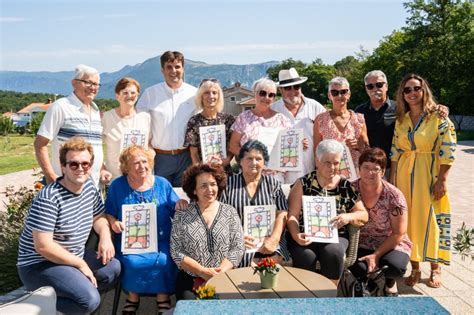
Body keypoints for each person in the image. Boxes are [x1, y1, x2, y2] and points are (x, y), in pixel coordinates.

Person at [17, 137, 120, 314]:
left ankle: (73, 294)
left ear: (91, 165)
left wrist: (105, 236)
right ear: (63, 167)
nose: (80, 169)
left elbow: (99, 217)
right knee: (89, 300)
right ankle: (39, 302)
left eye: (85, 164)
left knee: (113, 268)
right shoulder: (49, 198)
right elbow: (43, 246)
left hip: (71, 256)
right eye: (73, 164)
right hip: (39, 264)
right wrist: (80, 264)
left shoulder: (88, 187)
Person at [390, 74, 456, 288]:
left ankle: (435, 269)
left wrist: (442, 180)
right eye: (407, 90)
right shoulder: (402, 120)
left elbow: (449, 148)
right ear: (402, 95)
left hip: (428, 175)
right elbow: (395, 150)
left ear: (423, 90)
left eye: (416, 88)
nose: (412, 93)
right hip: (403, 176)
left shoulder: (438, 117)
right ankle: (416, 268)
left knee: (431, 220)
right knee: (410, 223)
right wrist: (392, 180)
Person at [105, 145, 178, 314]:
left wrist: (181, 204)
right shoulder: (117, 186)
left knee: (164, 260)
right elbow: (109, 213)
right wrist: (114, 222)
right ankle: (133, 296)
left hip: (161, 239)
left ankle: (163, 297)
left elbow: (175, 207)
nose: (142, 166)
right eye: (135, 163)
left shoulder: (162, 183)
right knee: (132, 262)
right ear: (126, 167)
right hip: (130, 240)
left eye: (144, 161)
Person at [287, 139, 368, 285]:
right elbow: (292, 215)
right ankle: (305, 295)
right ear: (317, 161)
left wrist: (348, 216)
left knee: (334, 253)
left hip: (335, 235)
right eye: (327, 162)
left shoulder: (345, 186)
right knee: (305, 256)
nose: (332, 167)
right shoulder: (303, 183)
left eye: (336, 163)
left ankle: (329, 295)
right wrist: (296, 235)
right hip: (305, 235)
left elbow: (364, 214)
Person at [170, 164, 244, 300]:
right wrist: (202, 271)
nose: (210, 190)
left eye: (213, 184)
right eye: (203, 185)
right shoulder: (182, 214)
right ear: (194, 190)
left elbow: (237, 247)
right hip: (191, 280)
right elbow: (176, 251)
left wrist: (220, 273)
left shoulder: (230, 212)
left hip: (225, 277)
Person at [349, 148, 412, 296]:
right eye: (366, 167)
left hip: (391, 242)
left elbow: (399, 233)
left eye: (375, 169)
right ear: (359, 169)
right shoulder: (350, 189)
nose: (370, 173)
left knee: (394, 267)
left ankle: (390, 281)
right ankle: (369, 279)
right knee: (356, 267)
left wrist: (376, 255)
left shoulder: (394, 195)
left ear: (383, 172)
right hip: (362, 242)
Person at [34, 64, 110, 187]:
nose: (93, 88)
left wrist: (102, 169)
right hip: (65, 186)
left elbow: (94, 147)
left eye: (96, 84)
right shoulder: (61, 107)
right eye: (88, 83)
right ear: (74, 83)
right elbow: (39, 144)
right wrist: (51, 177)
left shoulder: (96, 111)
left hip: (93, 188)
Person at [220, 140, 289, 266]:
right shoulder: (228, 184)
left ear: (264, 162)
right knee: (247, 260)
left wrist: (274, 238)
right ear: (240, 162)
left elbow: (282, 213)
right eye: (249, 159)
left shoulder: (272, 184)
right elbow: (220, 216)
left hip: (269, 237)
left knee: (272, 259)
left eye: (258, 159)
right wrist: (237, 237)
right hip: (238, 239)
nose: (254, 163)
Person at [136, 51, 197, 187]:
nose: (173, 71)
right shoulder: (150, 94)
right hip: (159, 158)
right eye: (169, 67)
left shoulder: (194, 94)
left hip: (186, 158)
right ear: (162, 70)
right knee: (159, 200)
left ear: (183, 68)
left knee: (183, 200)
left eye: (177, 67)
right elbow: (139, 124)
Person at [229, 78, 291, 182]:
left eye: (271, 95)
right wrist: (249, 158)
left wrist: (301, 144)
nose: (266, 97)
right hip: (248, 175)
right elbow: (233, 146)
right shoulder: (243, 118)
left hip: (275, 178)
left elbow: (290, 146)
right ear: (255, 93)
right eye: (262, 93)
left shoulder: (283, 120)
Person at [272, 68, 326, 184]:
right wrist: (293, 144)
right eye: (287, 88)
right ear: (280, 90)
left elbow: (326, 136)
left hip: (311, 172)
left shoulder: (316, 107)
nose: (293, 91)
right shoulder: (273, 109)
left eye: (296, 87)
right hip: (281, 176)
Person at [102, 77, 151, 181]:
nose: (129, 96)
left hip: (141, 177)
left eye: (133, 93)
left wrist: (150, 157)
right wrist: (102, 168)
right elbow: (95, 148)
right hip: (115, 177)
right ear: (117, 96)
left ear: (138, 95)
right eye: (125, 93)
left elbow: (150, 144)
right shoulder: (106, 118)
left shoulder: (145, 117)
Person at [314, 77, 369, 169]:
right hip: (330, 173)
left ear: (349, 94)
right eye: (335, 93)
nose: (339, 96)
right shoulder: (320, 120)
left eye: (343, 92)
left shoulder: (359, 119)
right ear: (329, 95)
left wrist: (359, 146)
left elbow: (367, 149)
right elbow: (316, 151)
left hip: (356, 174)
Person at [183, 78, 235, 172]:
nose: (211, 96)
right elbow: (193, 154)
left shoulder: (228, 120)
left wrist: (225, 162)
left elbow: (233, 146)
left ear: (219, 96)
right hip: (203, 172)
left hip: (225, 171)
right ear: (201, 96)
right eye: (206, 93)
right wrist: (201, 170)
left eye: (214, 92)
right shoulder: (194, 121)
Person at [355, 70, 396, 161]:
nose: (375, 89)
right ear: (366, 89)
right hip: (369, 166)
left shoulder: (399, 108)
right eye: (370, 86)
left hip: (394, 165)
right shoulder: (359, 111)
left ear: (386, 86)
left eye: (379, 85)